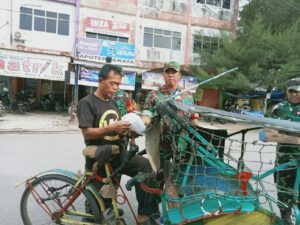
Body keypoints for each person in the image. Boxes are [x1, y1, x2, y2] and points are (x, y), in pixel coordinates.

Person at [77, 64, 159, 225]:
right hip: (99, 156)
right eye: (112, 83)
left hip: (117, 153)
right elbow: (87, 133)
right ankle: (96, 212)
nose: (115, 88)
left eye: (118, 84)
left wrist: (127, 131)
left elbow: (116, 128)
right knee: (101, 205)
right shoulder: (86, 103)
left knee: (146, 167)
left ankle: (144, 214)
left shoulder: (113, 102)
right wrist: (110, 128)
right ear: (101, 80)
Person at [271, 77, 300, 220]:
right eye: (291, 91)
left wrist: (286, 135)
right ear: (287, 92)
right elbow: (268, 135)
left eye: (298, 91)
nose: (294, 94)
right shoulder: (279, 109)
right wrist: (296, 140)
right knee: (283, 195)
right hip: (284, 161)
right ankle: (285, 220)